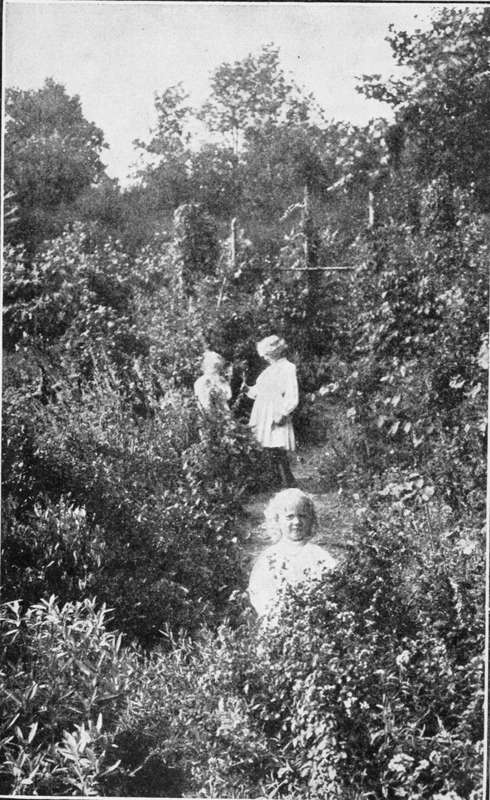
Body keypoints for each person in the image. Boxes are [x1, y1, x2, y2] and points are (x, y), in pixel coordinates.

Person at [248, 489, 337, 617]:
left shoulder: (317, 555)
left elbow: (331, 584)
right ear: (277, 520)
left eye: (302, 516)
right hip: (280, 620)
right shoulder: (269, 557)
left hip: (313, 618)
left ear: (311, 520)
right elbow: (259, 592)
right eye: (290, 517)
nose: (297, 522)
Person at [243, 335, 298, 487]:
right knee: (267, 446)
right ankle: (276, 479)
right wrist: (247, 389)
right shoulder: (268, 371)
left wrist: (284, 412)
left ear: (275, 352)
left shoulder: (288, 367)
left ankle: (288, 481)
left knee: (278, 445)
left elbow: (292, 393)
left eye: (266, 354)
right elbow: (258, 391)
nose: (265, 357)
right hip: (262, 410)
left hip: (276, 409)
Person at [194, 350, 232, 414]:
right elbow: (202, 403)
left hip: (225, 412)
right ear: (206, 366)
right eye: (214, 366)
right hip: (210, 414)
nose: (216, 371)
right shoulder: (200, 382)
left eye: (218, 368)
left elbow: (229, 396)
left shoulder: (221, 380)